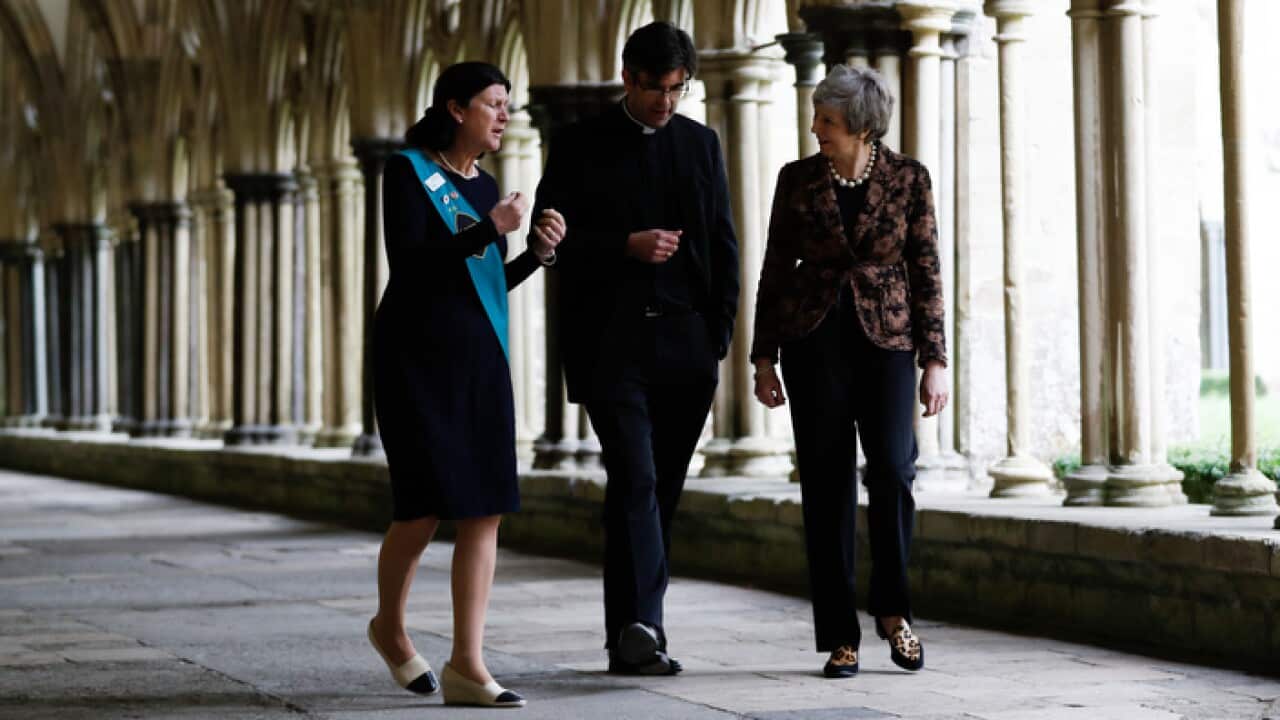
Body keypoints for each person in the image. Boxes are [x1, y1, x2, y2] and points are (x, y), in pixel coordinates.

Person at [531, 21, 739, 675]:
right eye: (655, 88)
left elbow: (723, 242)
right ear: (628, 77)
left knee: (655, 492)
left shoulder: (701, 144)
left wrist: (720, 337)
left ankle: (630, 632)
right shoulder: (576, 144)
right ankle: (645, 625)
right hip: (609, 344)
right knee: (638, 480)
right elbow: (550, 243)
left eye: (678, 89)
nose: (666, 102)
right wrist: (624, 244)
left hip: (686, 346)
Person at [366, 61, 564, 708]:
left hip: (478, 355)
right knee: (421, 505)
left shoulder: (487, 189)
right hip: (414, 357)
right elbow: (413, 265)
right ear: (457, 109)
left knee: (485, 506)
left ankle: (466, 663)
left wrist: (534, 255)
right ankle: (390, 629)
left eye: (509, 105)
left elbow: (484, 282)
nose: (505, 116)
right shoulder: (408, 172)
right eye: (495, 103)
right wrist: (491, 230)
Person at [750, 64, 948, 679]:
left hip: (889, 343)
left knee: (892, 470)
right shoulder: (797, 180)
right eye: (817, 119)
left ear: (862, 126)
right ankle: (841, 634)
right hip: (814, 342)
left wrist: (935, 359)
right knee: (827, 485)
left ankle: (893, 611)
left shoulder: (909, 178)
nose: (816, 130)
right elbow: (776, 268)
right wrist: (763, 356)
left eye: (828, 122)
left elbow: (927, 268)